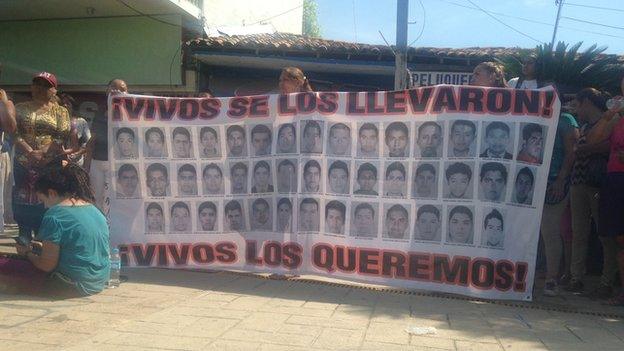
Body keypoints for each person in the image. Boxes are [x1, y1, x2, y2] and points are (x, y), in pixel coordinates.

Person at [3, 163, 110, 296]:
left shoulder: (55, 215)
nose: (45, 206)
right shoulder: (93, 209)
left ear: (52, 193)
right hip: (98, 281)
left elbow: (46, 265)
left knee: (5, 265)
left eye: (43, 200)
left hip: (71, 284)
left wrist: (27, 254)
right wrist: (43, 247)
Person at [567, 88, 616, 296]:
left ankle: (607, 281)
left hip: (599, 183)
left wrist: (588, 149)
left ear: (586, 102)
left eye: (577, 106)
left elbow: (611, 147)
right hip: (578, 182)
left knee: (605, 234)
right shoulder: (585, 125)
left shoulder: (611, 121)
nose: (575, 111)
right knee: (578, 233)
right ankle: (576, 277)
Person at [13, 72, 73, 239]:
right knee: (22, 200)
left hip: (49, 164)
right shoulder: (20, 108)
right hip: (23, 162)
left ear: (54, 91)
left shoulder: (60, 111)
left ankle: (46, 243)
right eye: (36, 84)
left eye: (45, 85)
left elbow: (62, 134)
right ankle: (23, 239)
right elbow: (14, 132)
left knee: (48, 200)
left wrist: (42, 152)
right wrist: (29, 151)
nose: (40, 88)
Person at [587, 76, 624, 305]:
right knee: (618, 239)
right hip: (615, 179)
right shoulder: (617, 114)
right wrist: (607, 118)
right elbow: (592, 140)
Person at [539, 104, 579, 297]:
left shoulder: (565, 120)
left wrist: (561, 179)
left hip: (554, 182)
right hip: (531, 181)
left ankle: (551, 279)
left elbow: (572, 151)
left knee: (550, 231)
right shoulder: (533, 116)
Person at [89, 79, 127, 211]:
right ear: (107, 91)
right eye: (113, 88)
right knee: (97, 199)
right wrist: (86, 166)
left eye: (122, 89)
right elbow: (92, 140)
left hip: (120, 164)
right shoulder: (100, 112)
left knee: (117, 199)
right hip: (98, 162)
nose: (117, 91)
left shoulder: (133, 112)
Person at [59, 93, 91, 167]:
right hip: (59, 163)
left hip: (76, 163)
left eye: (68, 103)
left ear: (73, 106)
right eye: (63, 104)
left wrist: (77, 154)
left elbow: (88, 142)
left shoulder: (81, 122)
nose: (65, 106)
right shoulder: (55, 122)